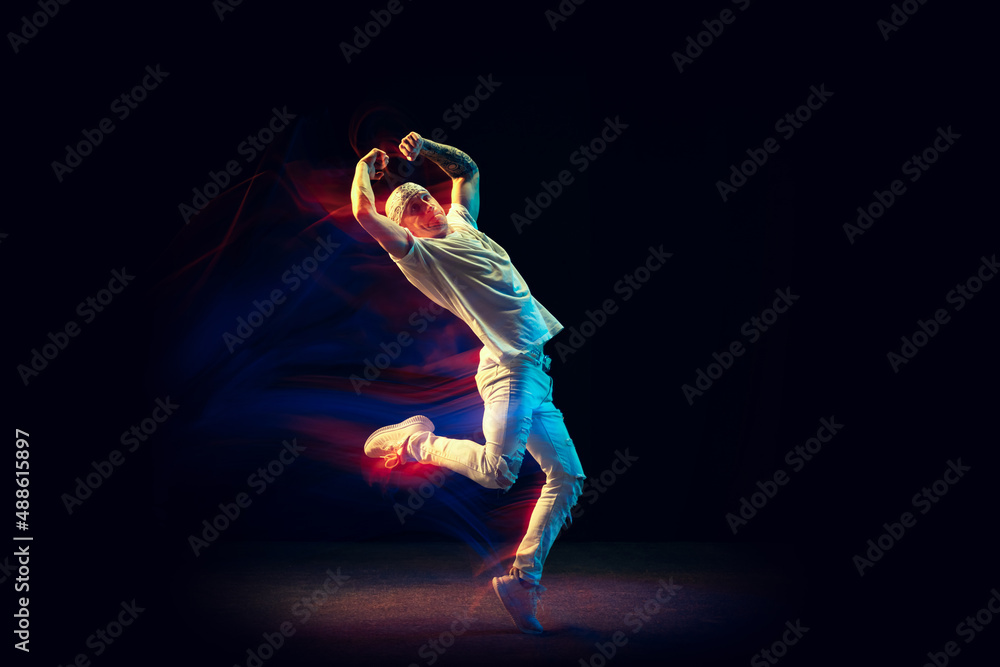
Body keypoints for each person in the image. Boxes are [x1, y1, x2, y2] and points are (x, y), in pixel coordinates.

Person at [350, 132, 585, 634]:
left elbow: (468, 172)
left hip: (533, 370)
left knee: (568, 477)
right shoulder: (419, 255)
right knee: (500, 472)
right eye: (412, 207)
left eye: (423, 198)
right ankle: (414, 441)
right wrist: (364, 172)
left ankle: (522, 582)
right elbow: (363, 216)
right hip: (508, 372)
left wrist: (426, 147)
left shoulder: (460, 222)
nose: (425, 207)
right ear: (404, 225)